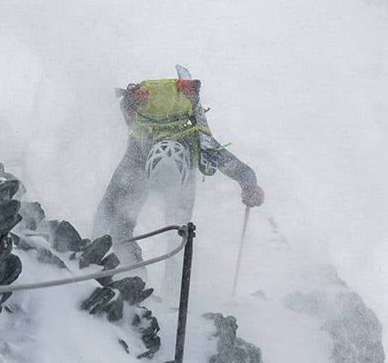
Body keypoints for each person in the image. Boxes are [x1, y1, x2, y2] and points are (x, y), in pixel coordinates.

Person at [93, 77, 264, 274]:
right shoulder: (136, 155)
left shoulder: (197, 143)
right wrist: (92, 245)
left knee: (178, 235)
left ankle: (169, 291)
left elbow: (243, 172)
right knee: (158, 233)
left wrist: (251, 188)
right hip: (145, 169)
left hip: (182, 184)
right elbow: (107, 204)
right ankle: (137, 278)